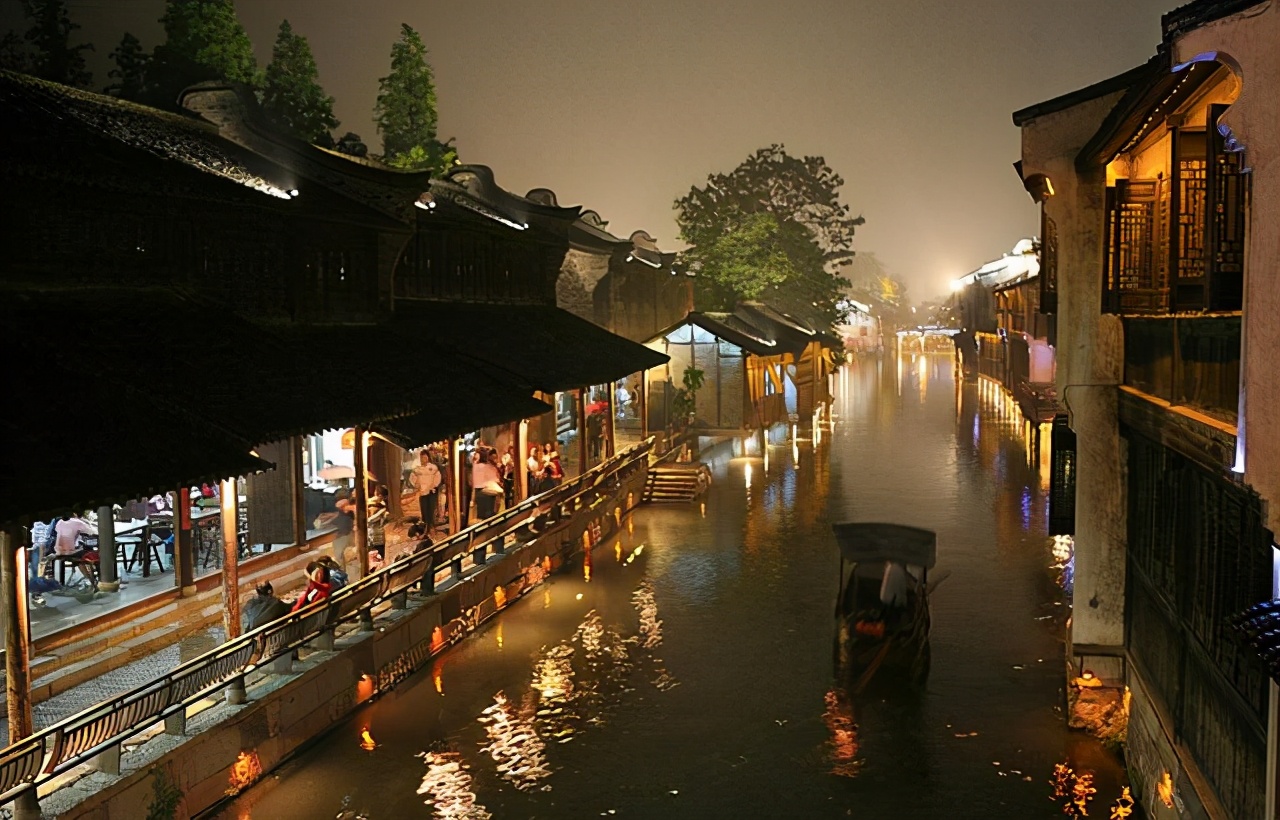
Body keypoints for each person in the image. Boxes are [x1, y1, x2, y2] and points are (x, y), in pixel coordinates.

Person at [410, 450, 442, 532]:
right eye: (422, 457)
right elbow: (412, 478)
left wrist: (434, 485)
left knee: (431, 510)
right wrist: (416, 485)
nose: (423, 459)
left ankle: (431, 526)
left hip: (431, 491)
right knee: (424, 510)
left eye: (425, 457)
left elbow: (438, 477)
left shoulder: (433, 467)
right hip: (422, 492)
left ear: (428, 457)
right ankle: (424, 528)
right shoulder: (417, 469)